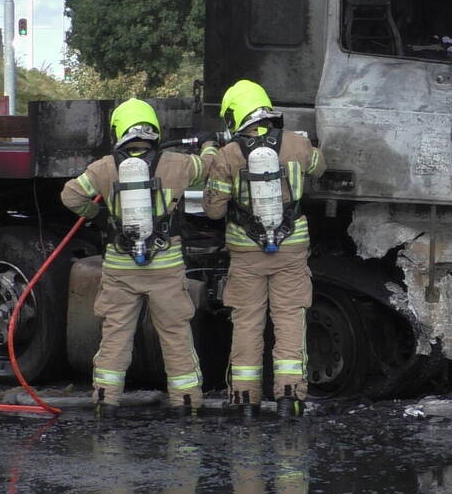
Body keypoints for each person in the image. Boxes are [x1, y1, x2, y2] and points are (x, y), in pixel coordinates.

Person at [61, 98, 208, 419]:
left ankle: (105, 400)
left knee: (115, 336)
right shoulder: (176, 163)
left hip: (120, 268)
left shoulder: (103, 167)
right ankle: (186, 402)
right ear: (153, 128)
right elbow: (205, 170)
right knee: (175, 336)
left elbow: (70, 194)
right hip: (165, 268)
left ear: (119, 130)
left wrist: (97, 215)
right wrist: (209, 149)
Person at [203, 80, 326, 417]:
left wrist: (214, 160)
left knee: (246, 323)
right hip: (292, 248)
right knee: (289, 319)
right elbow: (319, 166)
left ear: (234, 115)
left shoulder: (229, 155)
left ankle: (244, 399)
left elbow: (213, 210)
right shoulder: (296, 144)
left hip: (246, 254)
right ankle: (290, 397)